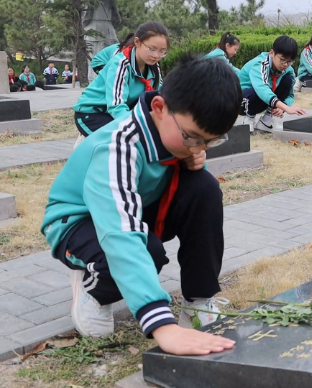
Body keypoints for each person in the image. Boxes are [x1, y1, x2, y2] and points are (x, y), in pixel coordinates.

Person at [41, 55, 241, 355]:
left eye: (209, 142)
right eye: (192, 138)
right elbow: (120, 231)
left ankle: (198, 301)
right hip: (78, 221)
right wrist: (161, 324)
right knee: (146, 251)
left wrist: (187, 157)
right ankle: (95, 288)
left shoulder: (172, 133)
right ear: (159, 108)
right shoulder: (119, 145)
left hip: (135, 207)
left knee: (205, 189)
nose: (198, 148)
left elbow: (185, 201)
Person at [73, 22, 168, 137]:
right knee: (123, 141)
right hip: (92, 113)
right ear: (137, 42)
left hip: (119, 111)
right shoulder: (120, 64)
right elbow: (116, 106)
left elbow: (159, 95)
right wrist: (139, 127)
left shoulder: (153, 66)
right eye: (152, 49)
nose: (157, 55)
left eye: (162, 51)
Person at [238, 35, 307, 132]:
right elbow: (262, 89)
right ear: (272, 53)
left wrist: (282, 107)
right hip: (241, 101)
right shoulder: (260, 64)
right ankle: (249, 118)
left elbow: (290, 94)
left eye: (289, 62)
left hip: (263, 100)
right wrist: (286, 108)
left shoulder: (288, 70)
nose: (285, 65)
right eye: (282, 59)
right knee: (258, 91)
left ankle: (266, 121)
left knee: (287, 80)